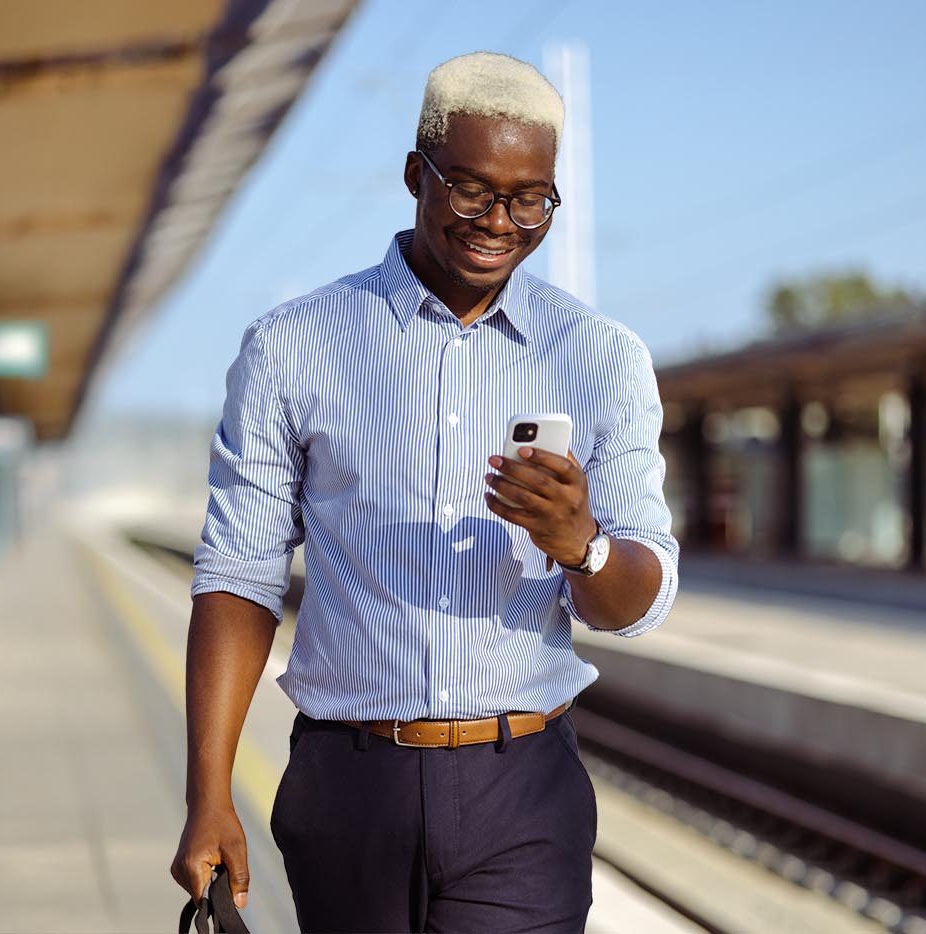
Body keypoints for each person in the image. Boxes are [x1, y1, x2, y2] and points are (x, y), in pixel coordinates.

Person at [171, 51, 678, 933]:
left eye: (530, 199)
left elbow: (636, 604)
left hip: (521, 789)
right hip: (347, 786)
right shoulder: (293, 345)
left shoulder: (603, 359)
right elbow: (239, 575)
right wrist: (207, 794)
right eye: (471, 191)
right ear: (417, 174)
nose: (499, 223)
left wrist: (582, 545)